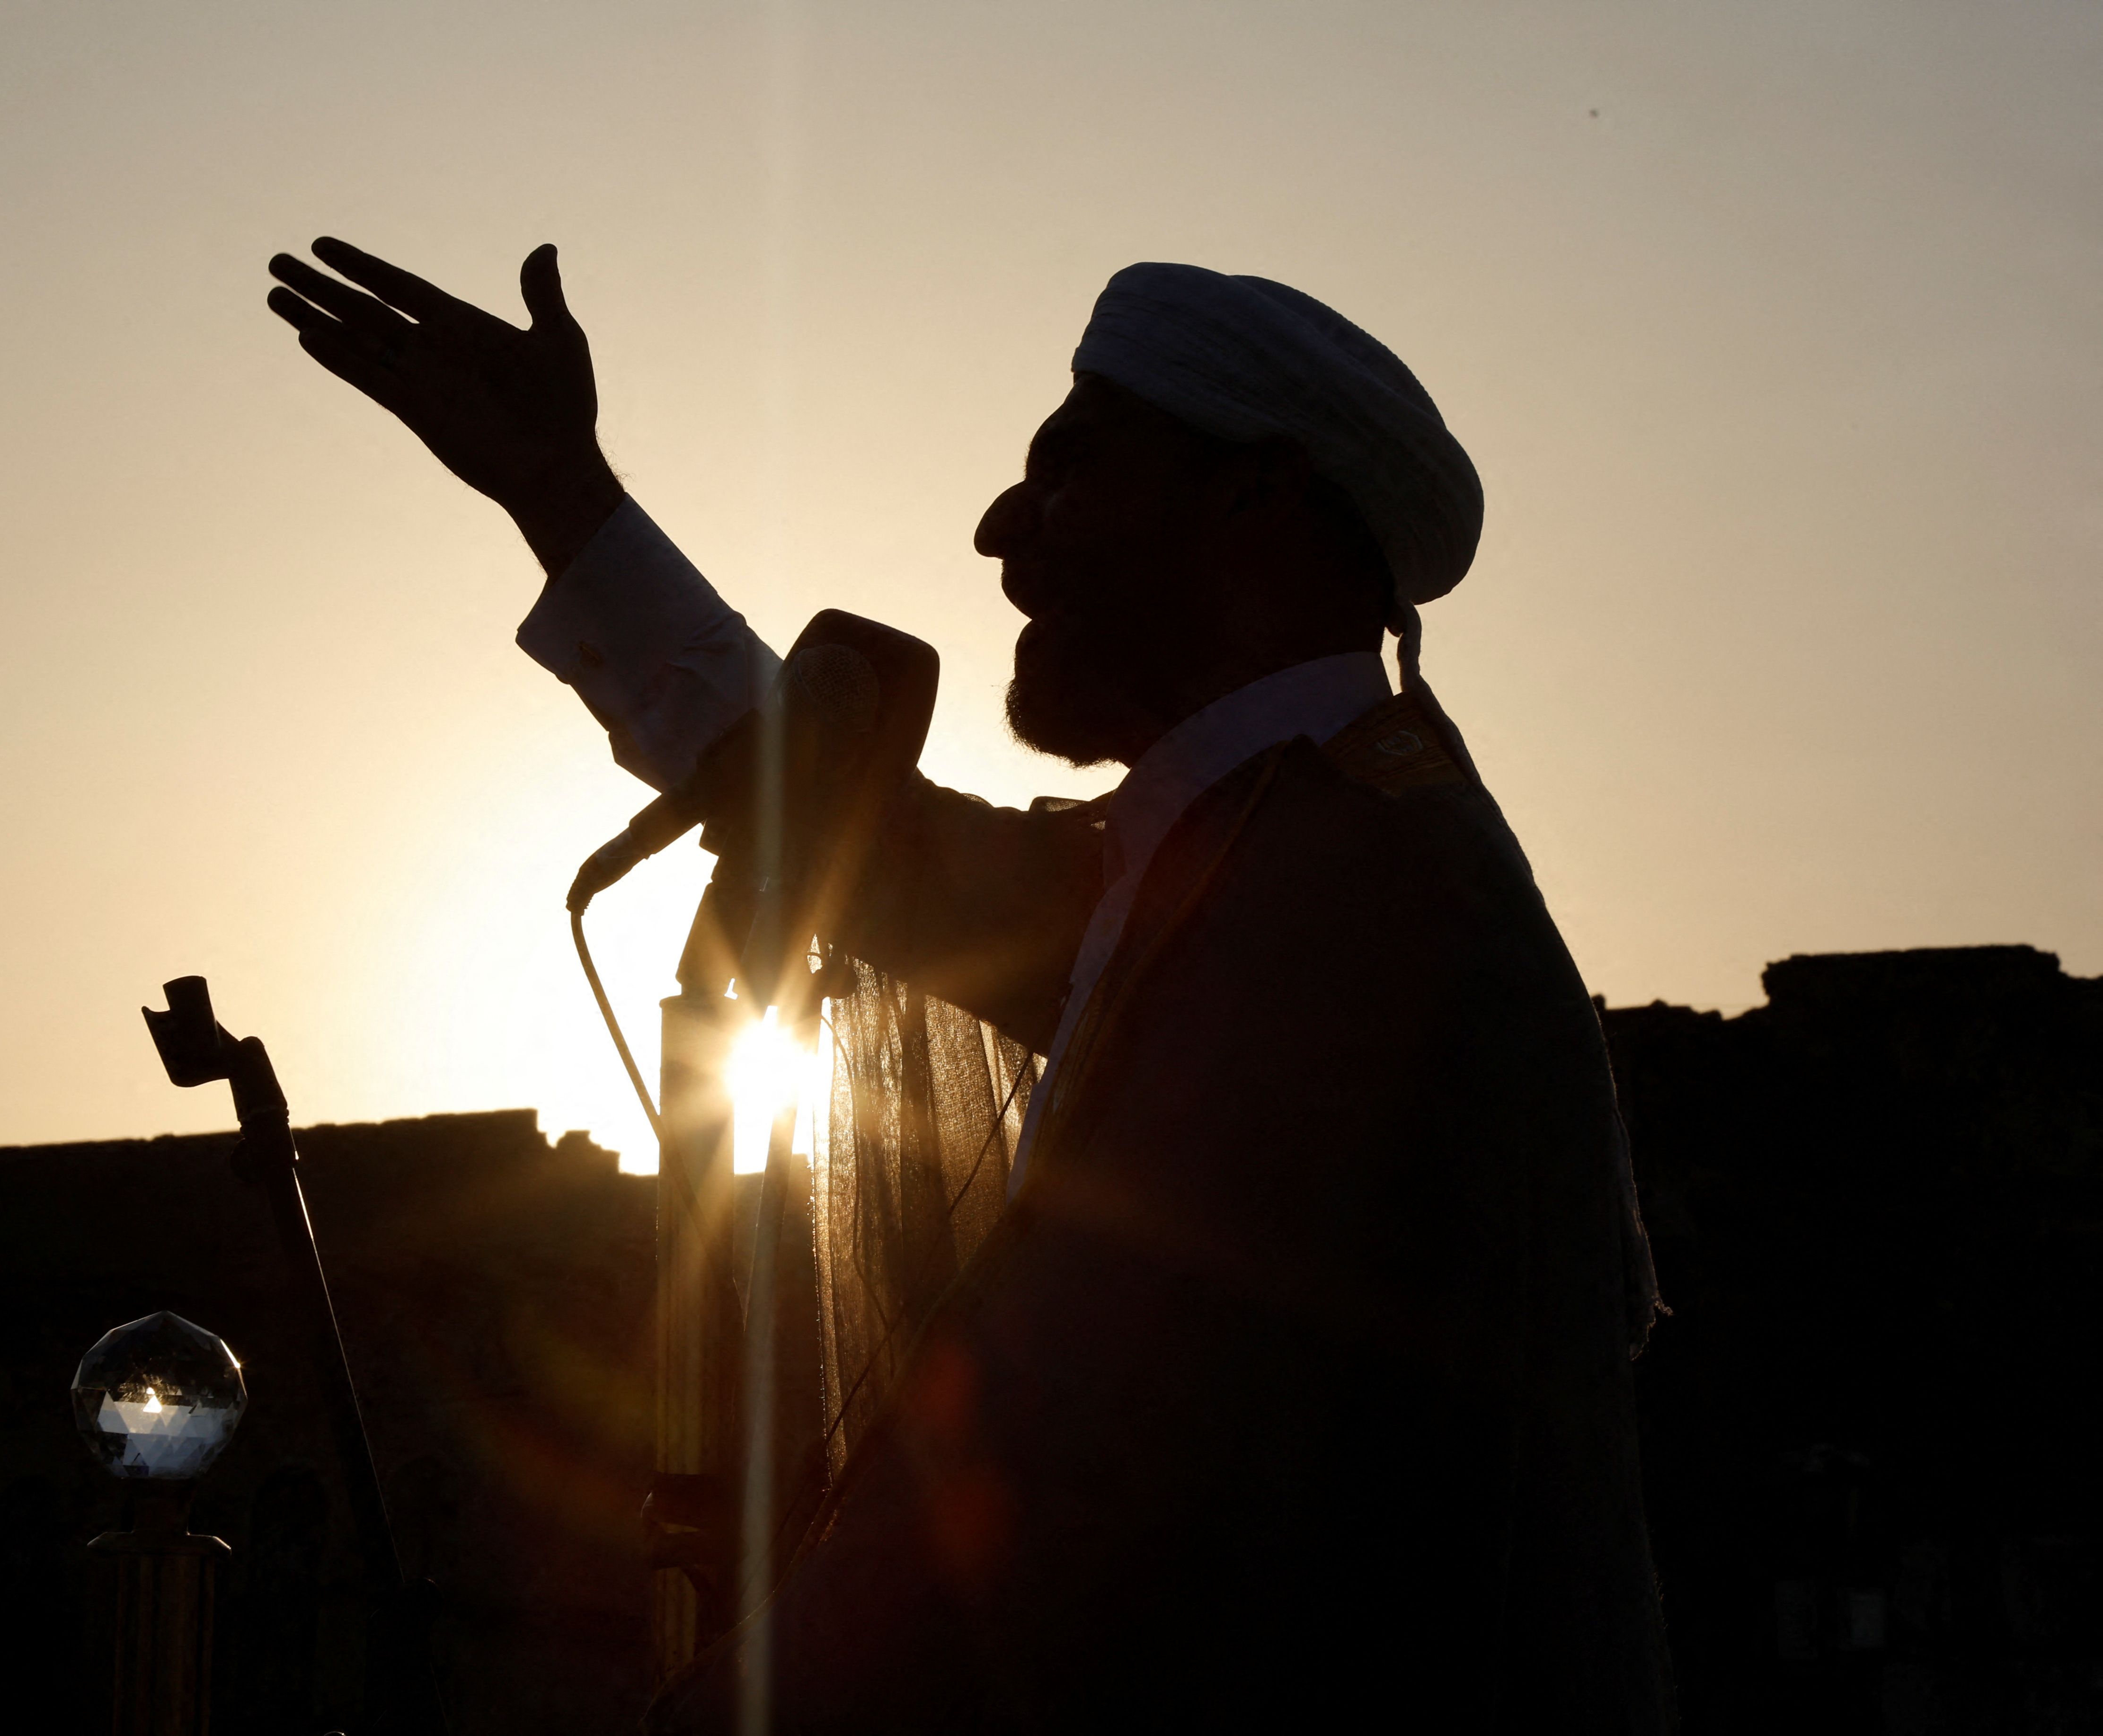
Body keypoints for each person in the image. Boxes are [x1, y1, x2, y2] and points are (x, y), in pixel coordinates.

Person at [266, 240, 1674, 1732]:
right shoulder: (1251, 855)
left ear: (1254, 498)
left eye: (1068, 471)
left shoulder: (1346, 903)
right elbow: (836, 825)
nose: (1003, 529)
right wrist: (560, 494)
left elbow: (1051, 1473)